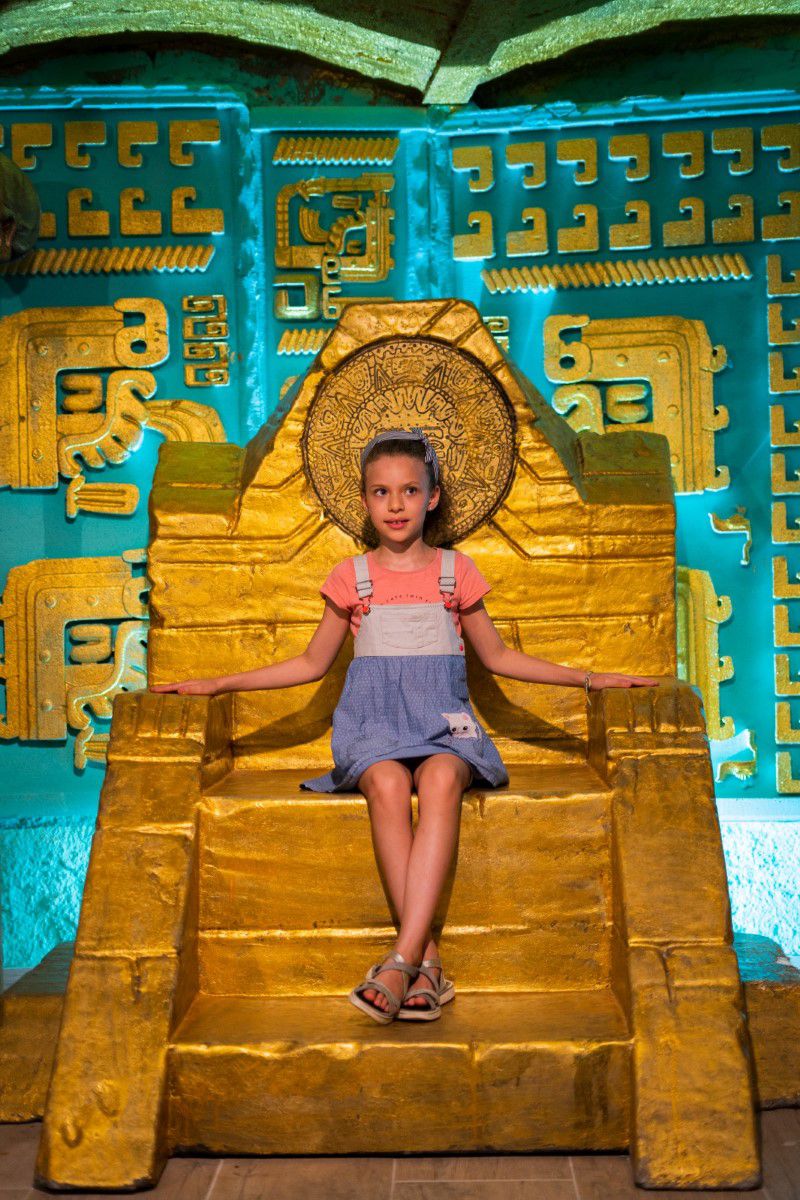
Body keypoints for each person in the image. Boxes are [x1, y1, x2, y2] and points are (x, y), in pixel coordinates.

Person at [152, 426, 660, 1025]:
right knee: (389, 784)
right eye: (381, 492)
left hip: (445, 727)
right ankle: (428, 965)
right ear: (365, 501)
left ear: (433, 498)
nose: (395, 504)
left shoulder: (456, 572)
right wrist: (216, 684)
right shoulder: (351, 577)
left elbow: (499, 658)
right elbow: (310, 664)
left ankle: (401, 961)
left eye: (410, 490)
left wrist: (588, 677)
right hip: (374, 726)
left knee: (443, 780)